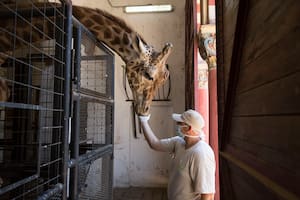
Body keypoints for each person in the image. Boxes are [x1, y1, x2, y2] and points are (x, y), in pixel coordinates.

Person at [139, 109, 216, 200]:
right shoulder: (179, 143)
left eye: (180, 123)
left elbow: (208, 194)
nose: (177, 125)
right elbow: (154, 144)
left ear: (189, 128)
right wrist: (143, 120)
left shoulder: (201, 154)